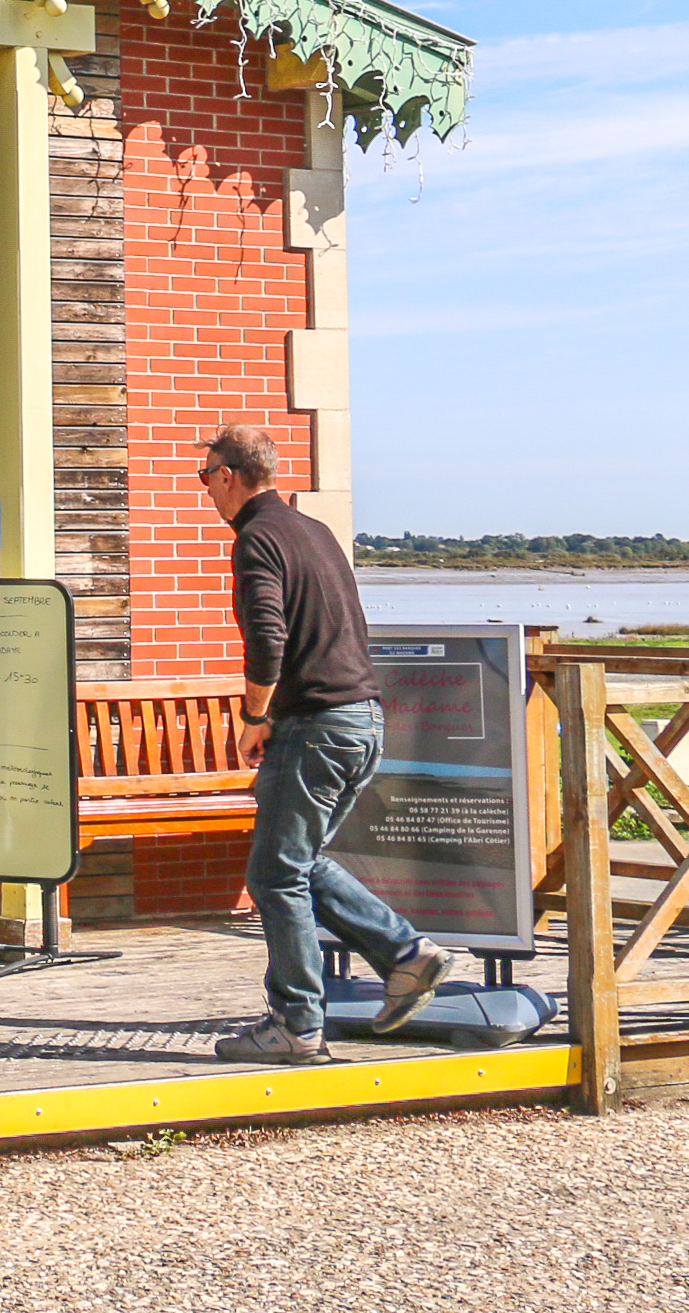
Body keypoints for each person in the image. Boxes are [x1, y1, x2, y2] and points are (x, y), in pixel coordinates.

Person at [200, 423, 451, 1064]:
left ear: (230, 475)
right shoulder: (315, 531)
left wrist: (256, 717)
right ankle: (404, 953)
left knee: (275, 874)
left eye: (206, 478)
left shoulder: (258, 539)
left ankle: (295, 1023)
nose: (205, 491)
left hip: (316, 727)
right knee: (299, 863)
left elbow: (267, 638)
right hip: (363, 719)